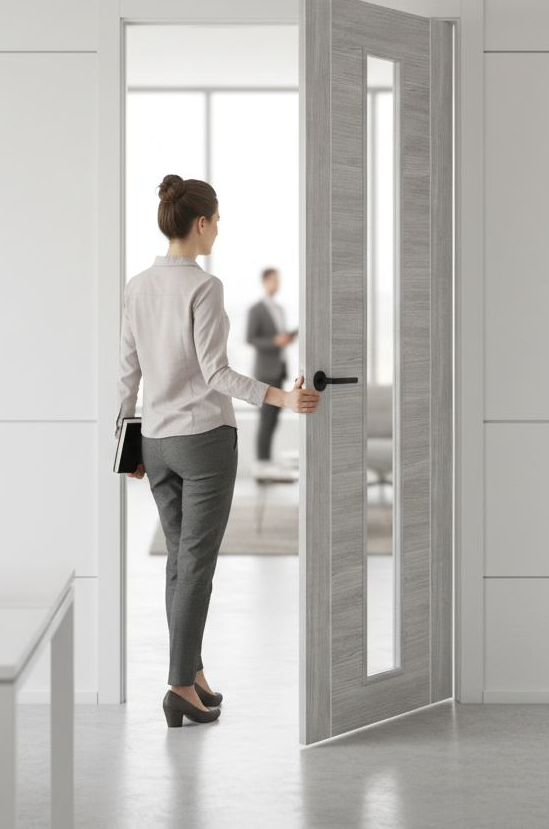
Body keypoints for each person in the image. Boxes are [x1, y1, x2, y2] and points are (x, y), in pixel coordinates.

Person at [116, 174, 320, 728]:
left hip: (156, 443)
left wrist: (126, 441)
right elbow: (217, 373)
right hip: (204, 442)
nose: (218, 231)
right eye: (218, 220)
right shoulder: (205, 287)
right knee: (197, 565)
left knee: (181, 563)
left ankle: (193, 673)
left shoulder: (136, 286)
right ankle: (180, 685)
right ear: (201, 223)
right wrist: (281, 396)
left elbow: (127, 374)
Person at [246, 268, 297, 472]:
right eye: (274, 280)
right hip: (265, 372)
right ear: (265, 281)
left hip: (279, 370)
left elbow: (279, 337)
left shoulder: (280, 309)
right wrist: (275, 341)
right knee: (266, 421)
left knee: (274, 419)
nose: (278, 283)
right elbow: (251, 338)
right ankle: (262, 466)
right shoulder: (256, 309)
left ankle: (266, 464)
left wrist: (286, 338)